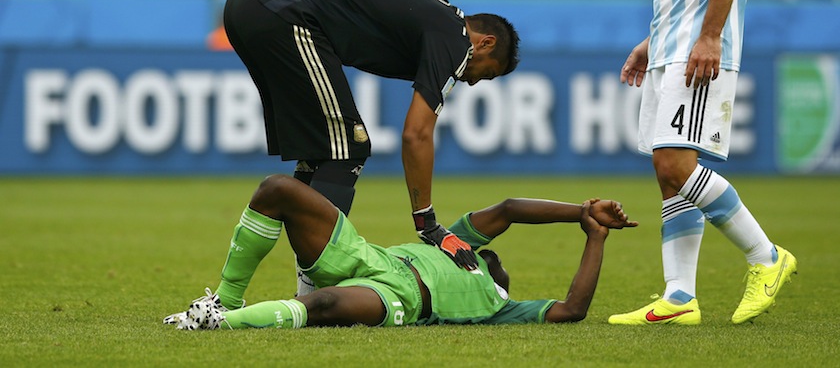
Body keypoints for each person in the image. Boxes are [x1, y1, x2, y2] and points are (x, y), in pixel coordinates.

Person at [608, 0, 797, 327]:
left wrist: (709, 35)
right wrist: (654, 38)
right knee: (667, 173)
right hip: (674, 44)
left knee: (676, 163)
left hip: (700, 48)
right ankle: (679, 296)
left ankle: (766, 257)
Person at [222, 0, 521, 295]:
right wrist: (427, 222)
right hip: (284, 11)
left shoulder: (436, 19)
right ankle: (314, 294)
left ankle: (242, 296)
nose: (475, 82)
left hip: (248, 3)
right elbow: (416, 134)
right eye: (487, 73)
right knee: (349, 147)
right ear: (486, 43)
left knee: (322, 154)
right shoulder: (455, 38)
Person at [163, 174, 638, 329]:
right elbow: (510, 208)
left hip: (400, 298)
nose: (501, 263)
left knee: (325, 305)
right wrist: (580, 210)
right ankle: (226, 299)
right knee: (277, 190)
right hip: (370, 258)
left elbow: (573, 309)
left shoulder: (503, 307)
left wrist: (595, 237)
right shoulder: (460, 245)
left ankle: (217, 324)